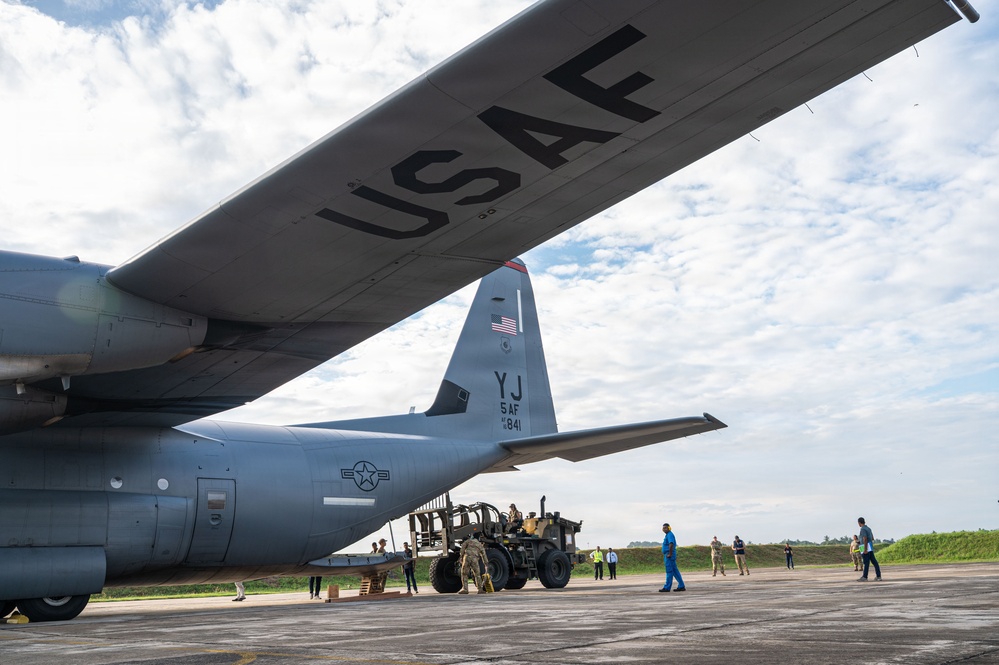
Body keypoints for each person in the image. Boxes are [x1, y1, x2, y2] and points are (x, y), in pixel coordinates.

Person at [659, 523, 685, 592]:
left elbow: (671, 544)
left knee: (669, 571)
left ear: (669, 528)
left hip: (669, 555)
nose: (664, 529)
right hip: (669, 555)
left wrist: (670, 553)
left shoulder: (670, 534)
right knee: (675, 571)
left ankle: (667, 587)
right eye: (663, 528)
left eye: (665, 528)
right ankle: (681, 586)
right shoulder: (668, 535)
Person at [857, 517, 883, 581]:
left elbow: (865, 539)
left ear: (859, 523)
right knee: (874, 562)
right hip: (870, 547)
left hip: (866, 548)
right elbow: (872, 538)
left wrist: (865, 549)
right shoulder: (868, 528)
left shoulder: (862, 529)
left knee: (866, 563)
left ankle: (865, 577)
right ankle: (878, 576)